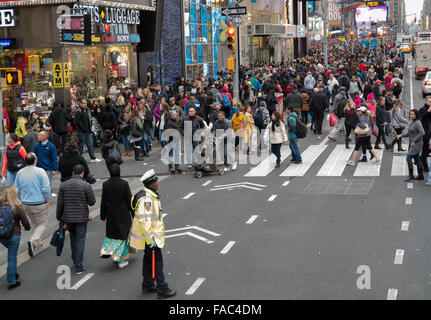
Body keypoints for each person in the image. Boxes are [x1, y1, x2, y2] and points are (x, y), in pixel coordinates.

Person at [130, 169, 177, 299]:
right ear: (150, 183)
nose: (157, 182)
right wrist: (151, 241)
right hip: (151, 238)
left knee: (148, 261)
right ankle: (162, 290)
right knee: (157, 263)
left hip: (148, 238)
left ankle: (148, 284)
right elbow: (145, 222)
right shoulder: (147, 200)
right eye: (155, 181)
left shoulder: (144, 194)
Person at [56, 164, 96, 275]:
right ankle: (79, 265)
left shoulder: (63, 185)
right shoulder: (86, 185)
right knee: (80, 239)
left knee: (73, 237)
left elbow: (60, 204)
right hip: (81, 217)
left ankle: (75, 259)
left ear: (73, 173)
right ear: (83, 173)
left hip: (68, 218)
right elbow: (92, 202)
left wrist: (59, 218)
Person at [14, 153, 51, 257]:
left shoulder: (20, 172)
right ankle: (33, 241)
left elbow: (16, 188)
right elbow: (45, 188)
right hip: (39, 202)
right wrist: (47, 199)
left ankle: (37, 244)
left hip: (25, 203)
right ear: (35, 160)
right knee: (43, 223)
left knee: (34, 223)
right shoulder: (40, 171)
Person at [100, 163, 132, 268]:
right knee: (123, 237)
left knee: (114, 236)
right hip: (123, 214)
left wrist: (102, 216)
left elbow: (103, 201)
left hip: (112, 214)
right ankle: (121, 261)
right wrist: (133, 213)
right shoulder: (124, 184)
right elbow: (129, 200)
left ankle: (115, 256)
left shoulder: (106, 184)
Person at [0, 186, 31, 290]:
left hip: (2, 235)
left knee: (11, 254)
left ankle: (12, 273)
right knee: (12, 257)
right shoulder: (17, 206)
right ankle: (12, 282)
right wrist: (27, 228)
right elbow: (26, 222)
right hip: (14, 235)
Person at [398, 109, 425, 181]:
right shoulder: (413, 122)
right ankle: (420, 175)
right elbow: (409, 133)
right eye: (410, 114)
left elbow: (422, 133)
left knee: (408, 158)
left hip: (417, 144)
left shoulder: (418, 123)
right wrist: (401, 135)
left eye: (413, 114)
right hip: (412, 143)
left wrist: (414, 140)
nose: (411, 116)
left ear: (416, 115)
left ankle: (411, 175)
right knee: (417, 158)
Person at [34, 130, 58, 195]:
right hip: (39, 168)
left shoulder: (51, 146)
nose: (38, 136)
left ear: (45, 137)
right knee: (39, 184)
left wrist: (54, 169)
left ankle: (47, 199)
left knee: (47, 184)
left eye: (40, 135)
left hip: (48, 169)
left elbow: (54, 158)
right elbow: (35, 156)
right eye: (38, 135)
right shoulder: (37, 145)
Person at [419, 95, 431, 172]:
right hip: (425, 133)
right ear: (426, 101)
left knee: (426, 151)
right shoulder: (422, 109)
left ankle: (419, 160)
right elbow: (420, 118)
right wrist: (428, 111)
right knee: (424, 151)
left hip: (430, 132)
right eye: (430, 101)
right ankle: (425, 167)